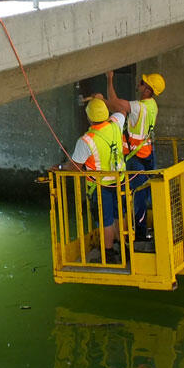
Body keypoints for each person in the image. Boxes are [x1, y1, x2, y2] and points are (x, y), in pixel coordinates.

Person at [62, 96, 126, 262]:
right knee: (119, 215)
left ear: (89, 117)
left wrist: (60, 167)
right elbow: (121, 110)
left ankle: (109, 253)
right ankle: (123, 245)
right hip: (120, 181)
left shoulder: (86, 140)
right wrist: (103, 100)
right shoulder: (116, 124)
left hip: (100, 186)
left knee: (105, 220)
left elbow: (74, 167)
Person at [105, 70, 164, 242]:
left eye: (142, 82)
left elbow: (113, 104)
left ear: (147, 90)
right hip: (147, 156)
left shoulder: (139, 107)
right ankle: (138, 229)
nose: (139, 84)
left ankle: (138, 234)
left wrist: (109, 80)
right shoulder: (152, 105)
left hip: (135, 158)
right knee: (142, 195)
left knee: (134, 196)